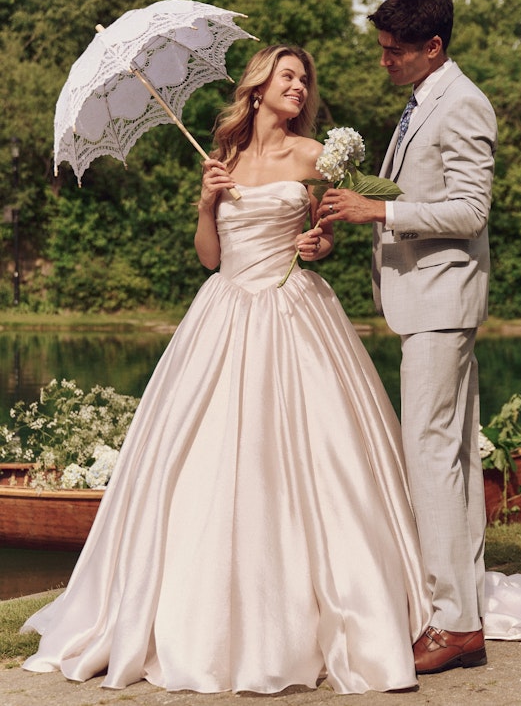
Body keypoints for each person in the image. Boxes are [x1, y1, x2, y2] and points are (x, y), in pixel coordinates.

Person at [20, 44, 432, 695]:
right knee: (202, 461)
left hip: (296, 311)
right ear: (260, 86)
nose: (298, 86)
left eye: (304, 78)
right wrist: (207, 204)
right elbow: (209, 258)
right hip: (223, 312)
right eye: (287, 76)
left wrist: (316, 242)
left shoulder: (315, 155)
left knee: (318, 460)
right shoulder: (221, 161)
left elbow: (325, 238)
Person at [318, 0, 498, 675]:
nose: (384, 61)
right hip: (429, 304)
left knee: (430, 457)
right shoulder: (423, 100)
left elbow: (469, 210)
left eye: (394, 53)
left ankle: (453, 624)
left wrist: (380, 214)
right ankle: (462, 612)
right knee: (446, 460)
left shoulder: (464, 103)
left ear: (433, 47)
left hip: (441, 305)